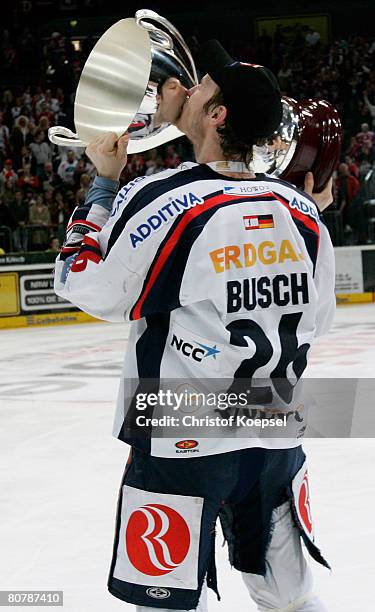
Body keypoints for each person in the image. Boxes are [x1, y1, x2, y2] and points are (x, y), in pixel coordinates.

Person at [54, 40, 335, 612]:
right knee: (290, 599)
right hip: (276, 424)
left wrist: (104, 183)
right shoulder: (304, 214)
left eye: (202, 84)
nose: (187, 85)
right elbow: (319, 320)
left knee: (167, 600)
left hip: (182, 429)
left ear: (218, 115)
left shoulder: (164, 196)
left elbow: (86, 286)